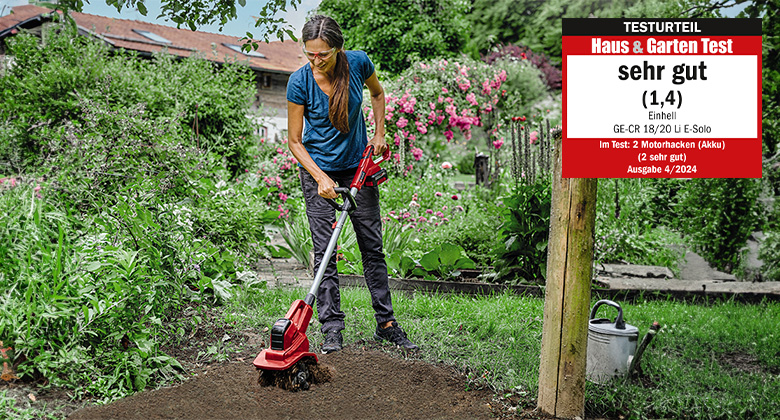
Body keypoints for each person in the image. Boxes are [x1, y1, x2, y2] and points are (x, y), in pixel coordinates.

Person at [286, 15, 418, 354]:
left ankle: (386, 323)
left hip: (359, 168)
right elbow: (295, 141)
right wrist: (320, 178)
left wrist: (380, 133)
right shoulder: (299, 81)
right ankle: (332, 328)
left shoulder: (357, 63)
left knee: (371, 246)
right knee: (325, 250)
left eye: (323, 55)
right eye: (310, 54)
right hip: (319, 173)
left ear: (338, 49)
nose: (316, 61)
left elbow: (377, 93)